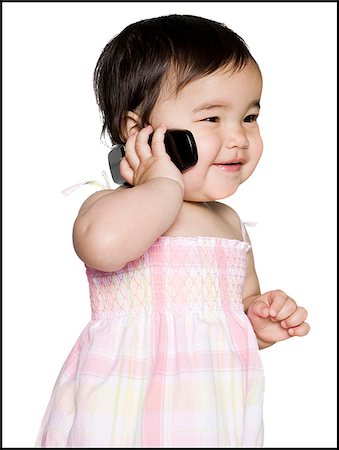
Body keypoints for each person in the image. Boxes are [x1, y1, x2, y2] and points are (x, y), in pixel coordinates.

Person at [35, 14, 310, 448]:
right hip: (122, 411)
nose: (238, 137)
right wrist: (162, 181)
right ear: (140, 132)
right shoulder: (112, 206)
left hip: (212, 416)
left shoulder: (230, 224)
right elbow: (103, 248)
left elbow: (234, 311)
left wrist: (258, 320)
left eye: (250, 116)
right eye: (213, 119)